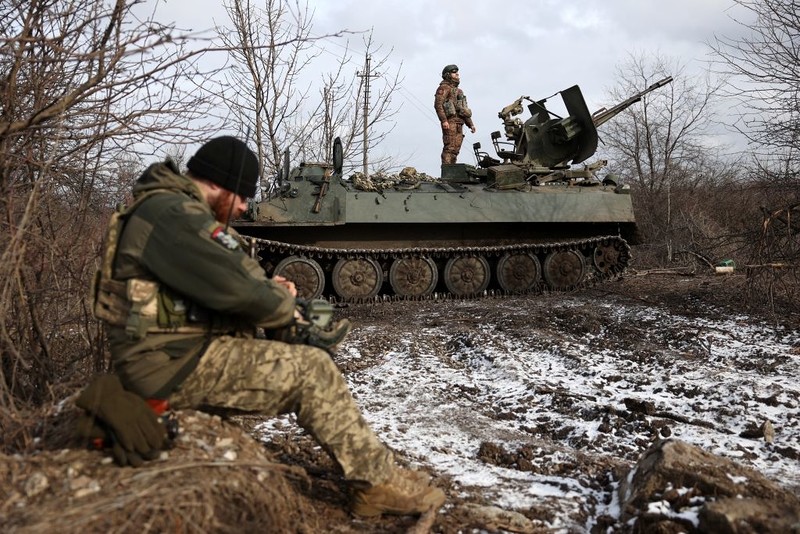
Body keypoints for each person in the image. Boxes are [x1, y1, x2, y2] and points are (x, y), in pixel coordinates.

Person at [87, 135, 446, 517]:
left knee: (298, 347)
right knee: (313, 371)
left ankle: (375, 471)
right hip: (169, 365)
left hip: (170, 354)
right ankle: (376, 485)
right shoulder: (173, 215)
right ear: (217, 182)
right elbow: (237, 290)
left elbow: (213, 283)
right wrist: (286, 310)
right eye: (241, 195)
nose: (243, 207)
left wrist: (266, 290)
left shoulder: (165, 210)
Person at [434, 64, 476, 165]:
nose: (457, 74)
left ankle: (452, 173)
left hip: (459, 123)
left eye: (457, 72)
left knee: (455, 150)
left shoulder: (459, 91)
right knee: (449, 148)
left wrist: (470, 124)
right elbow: (438, 105)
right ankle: (447, 173)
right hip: (450, 122)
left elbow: (463, 109)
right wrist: (444, 120)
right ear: (447, 75)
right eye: (454, 72)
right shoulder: (444, 88)